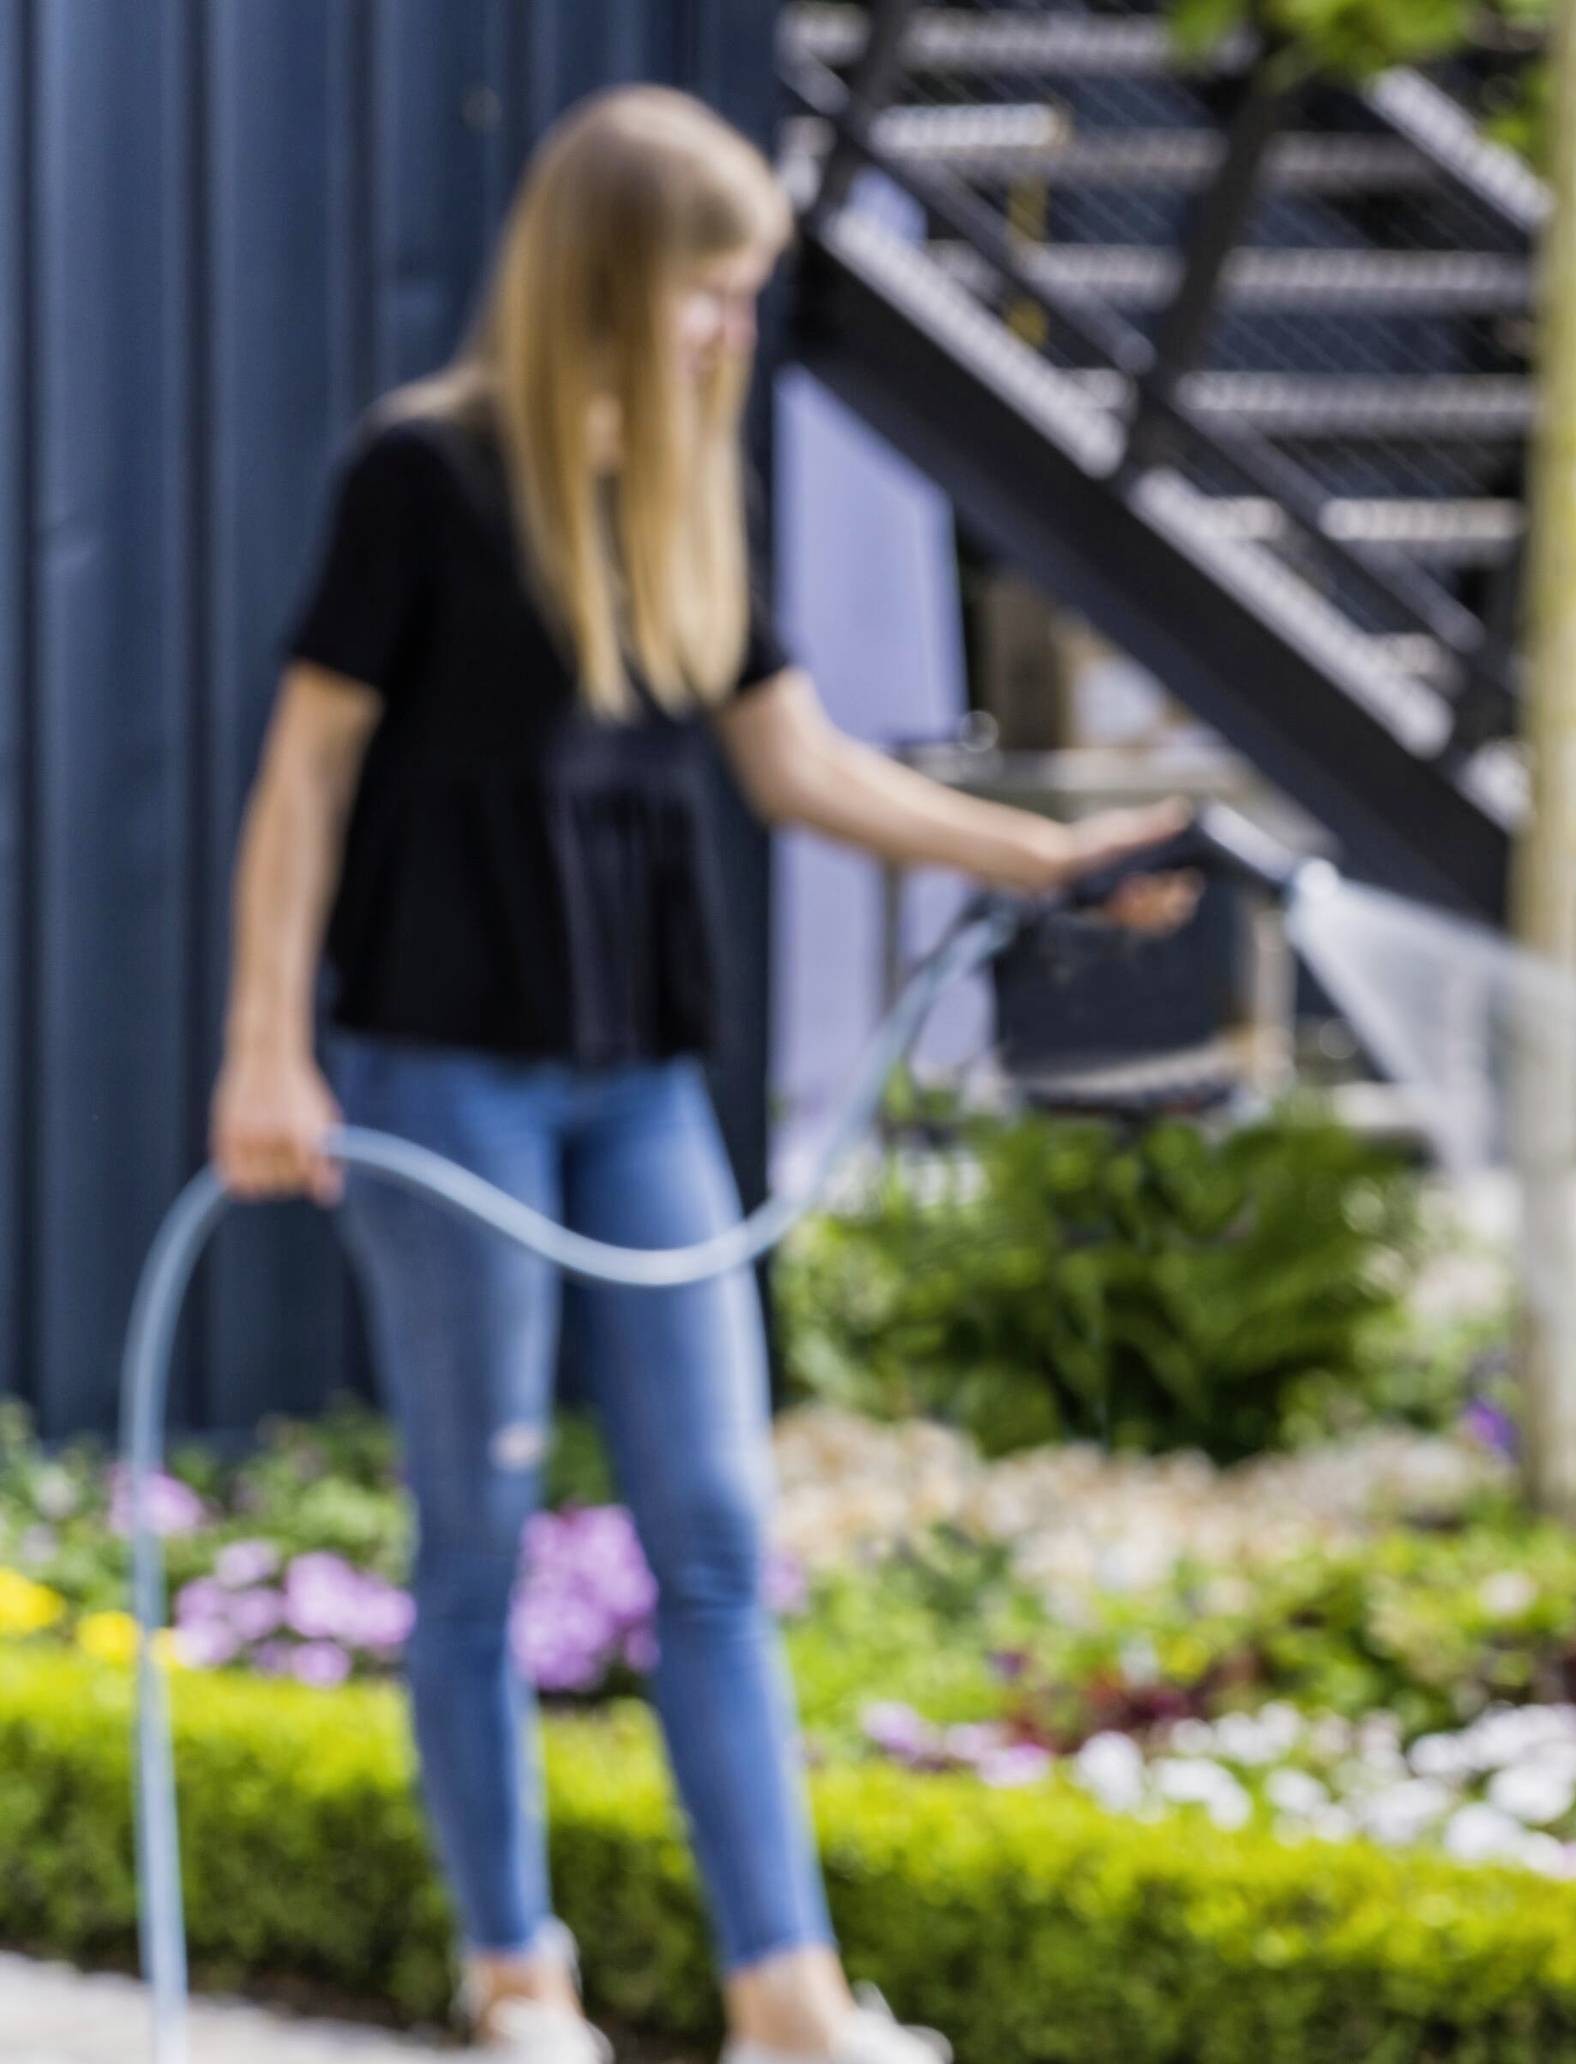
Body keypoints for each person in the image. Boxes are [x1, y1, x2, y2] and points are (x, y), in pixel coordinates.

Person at [210, 86, 1194, 2064]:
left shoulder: (688, 497)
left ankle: (788, 1995)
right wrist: (265, 1050)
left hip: (638, 1076)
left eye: (746, 298)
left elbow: (799, 766)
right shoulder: (423, 478)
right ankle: (514, 1975)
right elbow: (307, 773)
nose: (727, 334)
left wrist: (1055, 858)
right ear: (602, 278)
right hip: (440, 1076)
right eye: (703, 296)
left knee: (718, 1540)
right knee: (474, 1540)